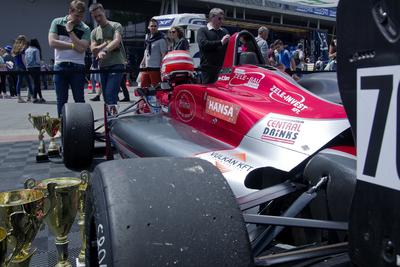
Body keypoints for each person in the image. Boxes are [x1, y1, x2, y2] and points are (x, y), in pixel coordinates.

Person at [48, 0, 91, 116]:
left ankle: (83, 128)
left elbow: (83, 48)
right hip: (60, 65)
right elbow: (52, 43)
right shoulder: (57, 22)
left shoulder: (85, 28)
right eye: (77, 15)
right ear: (70, 11)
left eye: (81, 16)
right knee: (61, 100)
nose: (79, 19)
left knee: (79, 99)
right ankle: (61, 129)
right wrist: (73, 45)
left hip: (78, 66)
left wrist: (70, 31)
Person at [90, 3, 126, 108]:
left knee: (110, 95)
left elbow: (117, 41)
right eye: (95, 16)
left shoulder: (116, 25)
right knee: (106, 98)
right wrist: (105, 43)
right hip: (103, 66)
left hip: (116, 64)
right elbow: (93, 49)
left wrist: (104, 50)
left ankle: (112, 121)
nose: (98, 18)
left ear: (104, 12)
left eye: (99, 15)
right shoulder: (94, 32)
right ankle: (110, 121)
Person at [197, 8, 230, 84]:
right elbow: (204, 44)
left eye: (222, 18)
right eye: (219, 18)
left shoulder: (224, 31)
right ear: (212, 17)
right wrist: (221, 42)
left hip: (223, 69)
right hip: (208, 69)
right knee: (208, 91)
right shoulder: (202, 30)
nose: (221, 21)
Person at [140, 18, 167, 88]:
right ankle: (146, 99)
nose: (153, 27)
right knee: (143, 86)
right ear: (148, 27)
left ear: (158, 27)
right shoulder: (147, 37)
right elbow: (146, 50)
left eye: (155, 26)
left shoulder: (161, 39)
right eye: (152, 26)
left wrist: (162, 66)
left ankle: (156, 99)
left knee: (156, 86)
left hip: (155, 67)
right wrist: (143, 61)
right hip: (146, 66)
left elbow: (163, 54)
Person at [12, 35, 33, 103]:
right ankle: (31, 97)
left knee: (19, 81)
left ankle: (19, 98)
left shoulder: (15, 48)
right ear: (23, 40)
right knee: (29, 81)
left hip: (17, 67)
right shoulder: (23, 48)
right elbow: (23, 59)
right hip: (23, 67)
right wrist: (27, 67)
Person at [25, 38, 46, 103]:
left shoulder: (27, 50)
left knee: (36, 83)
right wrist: (42, 63)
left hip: (29, 67)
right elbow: (37, 60)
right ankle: (34, 97)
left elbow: (25, 60)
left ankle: (40, 97)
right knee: (37, 83)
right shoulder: (36, 50)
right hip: (36, 67)